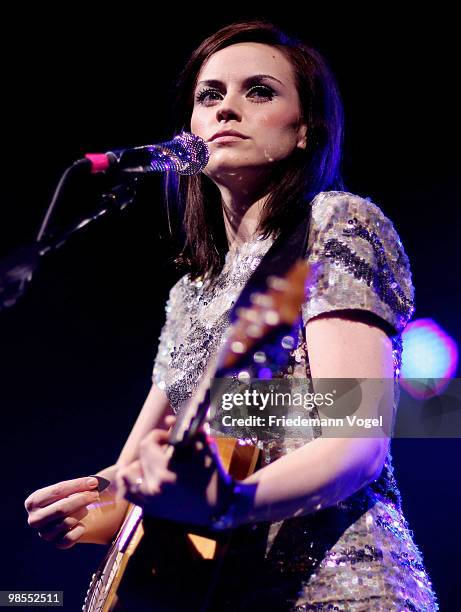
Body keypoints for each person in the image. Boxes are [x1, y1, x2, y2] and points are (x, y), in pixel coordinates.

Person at [25, 20, 438, 611]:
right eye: (209, 95)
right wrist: (99, 501)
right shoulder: (192, 290)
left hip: (337, 585)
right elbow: (143, 464)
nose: (226, 110)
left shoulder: (336, 222)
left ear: (305, 131)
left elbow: (356, 440)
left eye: (259, 91)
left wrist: (230, 500)